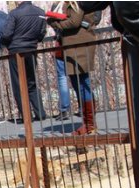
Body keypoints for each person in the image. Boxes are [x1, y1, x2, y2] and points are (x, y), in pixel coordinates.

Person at [47, 1, 100, 135]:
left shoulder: (77, 3)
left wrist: (55, 23)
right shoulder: (68, 3)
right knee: (78, 84)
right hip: (73, 45)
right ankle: (88, 122)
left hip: (79, 45)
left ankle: (90, 124)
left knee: (83, 83)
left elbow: (74, 22)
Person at [1, 1, 48, 122]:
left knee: (18, 85)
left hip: (16, 51)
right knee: (31, 82)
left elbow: (6, 34)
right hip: (31, 49)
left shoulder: (14, 13)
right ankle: (40, 113)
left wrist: (8, 45)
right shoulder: (40, 12)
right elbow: (42, 33)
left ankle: (27, 116)